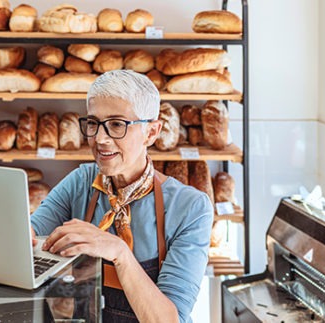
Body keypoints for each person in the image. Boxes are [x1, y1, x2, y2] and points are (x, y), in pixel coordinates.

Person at [30, 69, 213, 323]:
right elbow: (30, 237)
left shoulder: (189, 208)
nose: (100, 139)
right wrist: (20, 238)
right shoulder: (81, 182)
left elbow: (171, 320)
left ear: (151, 132)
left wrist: (119, 252)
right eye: (93, 124)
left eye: (117, 124)